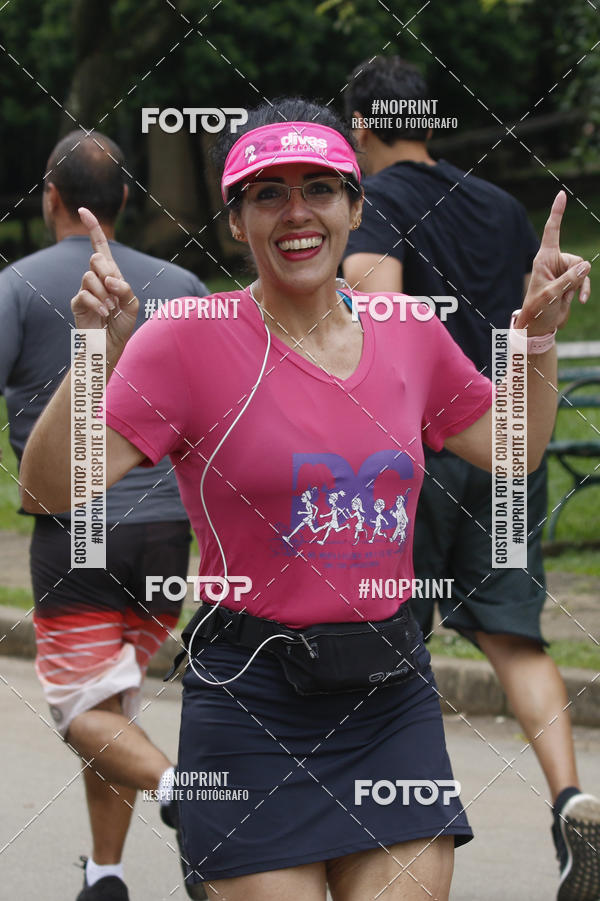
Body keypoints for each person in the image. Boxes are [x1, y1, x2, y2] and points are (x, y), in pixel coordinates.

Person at [19, 99, 590, 901]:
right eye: (267, 193)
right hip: (250, 702)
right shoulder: (188, 338)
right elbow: (49, 486)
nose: (297, 213)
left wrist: (537, 336)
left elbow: (514, 448)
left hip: (389, 696)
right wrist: (93, 351)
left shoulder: (409, 329)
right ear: (237, 222)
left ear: (358, 206)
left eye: (319, 188)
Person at [342, 55, 600, 901]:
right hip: (505, 438)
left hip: (418, 451)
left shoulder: (374, 206)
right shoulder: (495, 201)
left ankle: (390, 817)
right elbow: (533, 311)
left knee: (390, 640)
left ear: (364, 128)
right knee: (516, 636)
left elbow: (373, 317)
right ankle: (574, 801)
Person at [0, 130, 209, 901]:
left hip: (77, 526)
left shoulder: (18, 286)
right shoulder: (183, 282)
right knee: (114, 699)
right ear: (125, 199)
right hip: (166, 533)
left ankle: (187, 792)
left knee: (80, 706)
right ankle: (107, 873)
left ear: (50, 197)